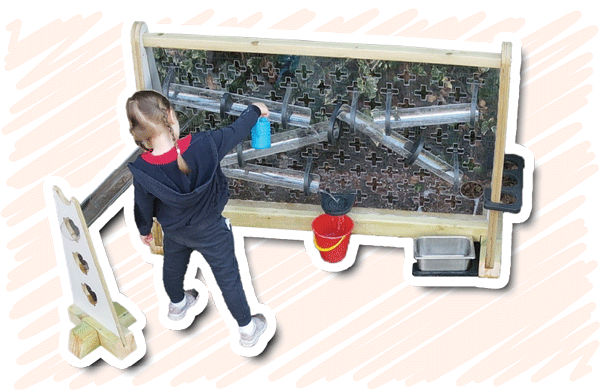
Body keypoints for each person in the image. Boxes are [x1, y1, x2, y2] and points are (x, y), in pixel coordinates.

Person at [126, 89, 269, 348]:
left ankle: (178, 305)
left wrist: (144, 229)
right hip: (212, 231)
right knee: (228, 279)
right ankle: (248, 330)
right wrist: (255, 109)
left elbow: (143, 205)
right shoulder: (206, 144)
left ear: (140, 133)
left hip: (175, 231)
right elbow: (237, 131)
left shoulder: (143, 169)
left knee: (172, 268)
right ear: (170, 115)